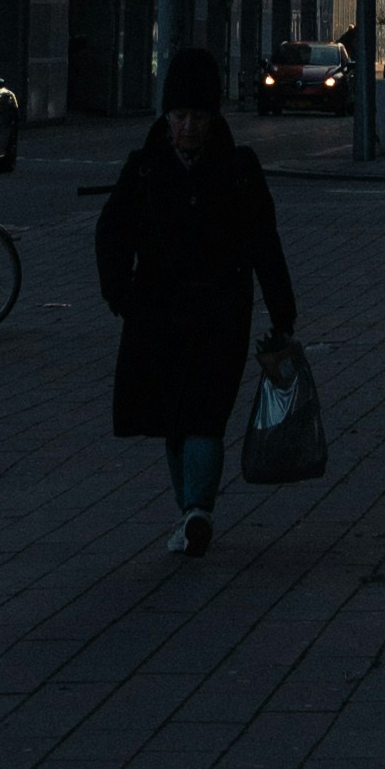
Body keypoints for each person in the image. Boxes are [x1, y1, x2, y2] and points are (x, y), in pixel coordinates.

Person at [96, 45, 297, 558]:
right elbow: (111, 233)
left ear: (213, 118)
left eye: (198, 116)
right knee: (175, 417)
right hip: (159, 315)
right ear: (166, 117)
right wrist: (121, 294)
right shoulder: (143, 170)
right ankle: (193, 512)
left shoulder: (239, 171)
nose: (188, 127)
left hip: (219, 313)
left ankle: (195, 511)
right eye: (180, 115)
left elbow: (265, 242)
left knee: (202, 414)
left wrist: (282, 313)